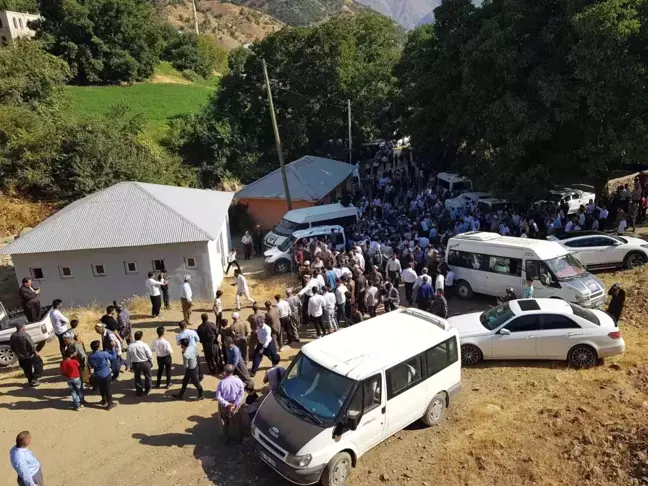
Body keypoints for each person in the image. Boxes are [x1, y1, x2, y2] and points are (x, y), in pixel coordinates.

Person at [216, 364, 246, 444]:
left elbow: (218, 397)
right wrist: (235, 404)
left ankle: (226, 440)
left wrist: (227, 404)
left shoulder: (221, 383)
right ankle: (239, 438)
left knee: (225, 422)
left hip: (225, 406)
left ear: (225, 371)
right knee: (236, 421)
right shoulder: (239, 381)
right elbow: (241, 393)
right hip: (235, 405)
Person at [9, 322, 43, 387]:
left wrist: (17, 353)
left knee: (26, 369)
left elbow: (12, 347)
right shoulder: (25, 335)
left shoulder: (12, 335)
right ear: (22, 327)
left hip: (21, 357)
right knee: (39, 365)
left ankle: (30, 380)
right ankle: (34, 379)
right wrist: (35, 352)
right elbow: (31, 344)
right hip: (29, 355)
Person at [87, 339, 118, 409]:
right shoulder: (103, 353)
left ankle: (104, 400)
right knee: (108, 390)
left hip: (98, 375)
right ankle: (110, 404)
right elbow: (113, 357)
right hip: (106, 374)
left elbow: (91, 365)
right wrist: (113, 347)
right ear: (98, 347)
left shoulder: (90, 356)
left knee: (101, 388)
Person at [127, 331, 153, 397]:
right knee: (148, 377)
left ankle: (139, 392)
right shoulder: (144, 345)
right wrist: (151, 362)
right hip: (145, 362)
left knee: (137, 378)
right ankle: (147, 390)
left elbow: (128, 357)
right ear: (141, 337)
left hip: (135, 364)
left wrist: (129, 366)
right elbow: (149, 355)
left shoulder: (130, 346)